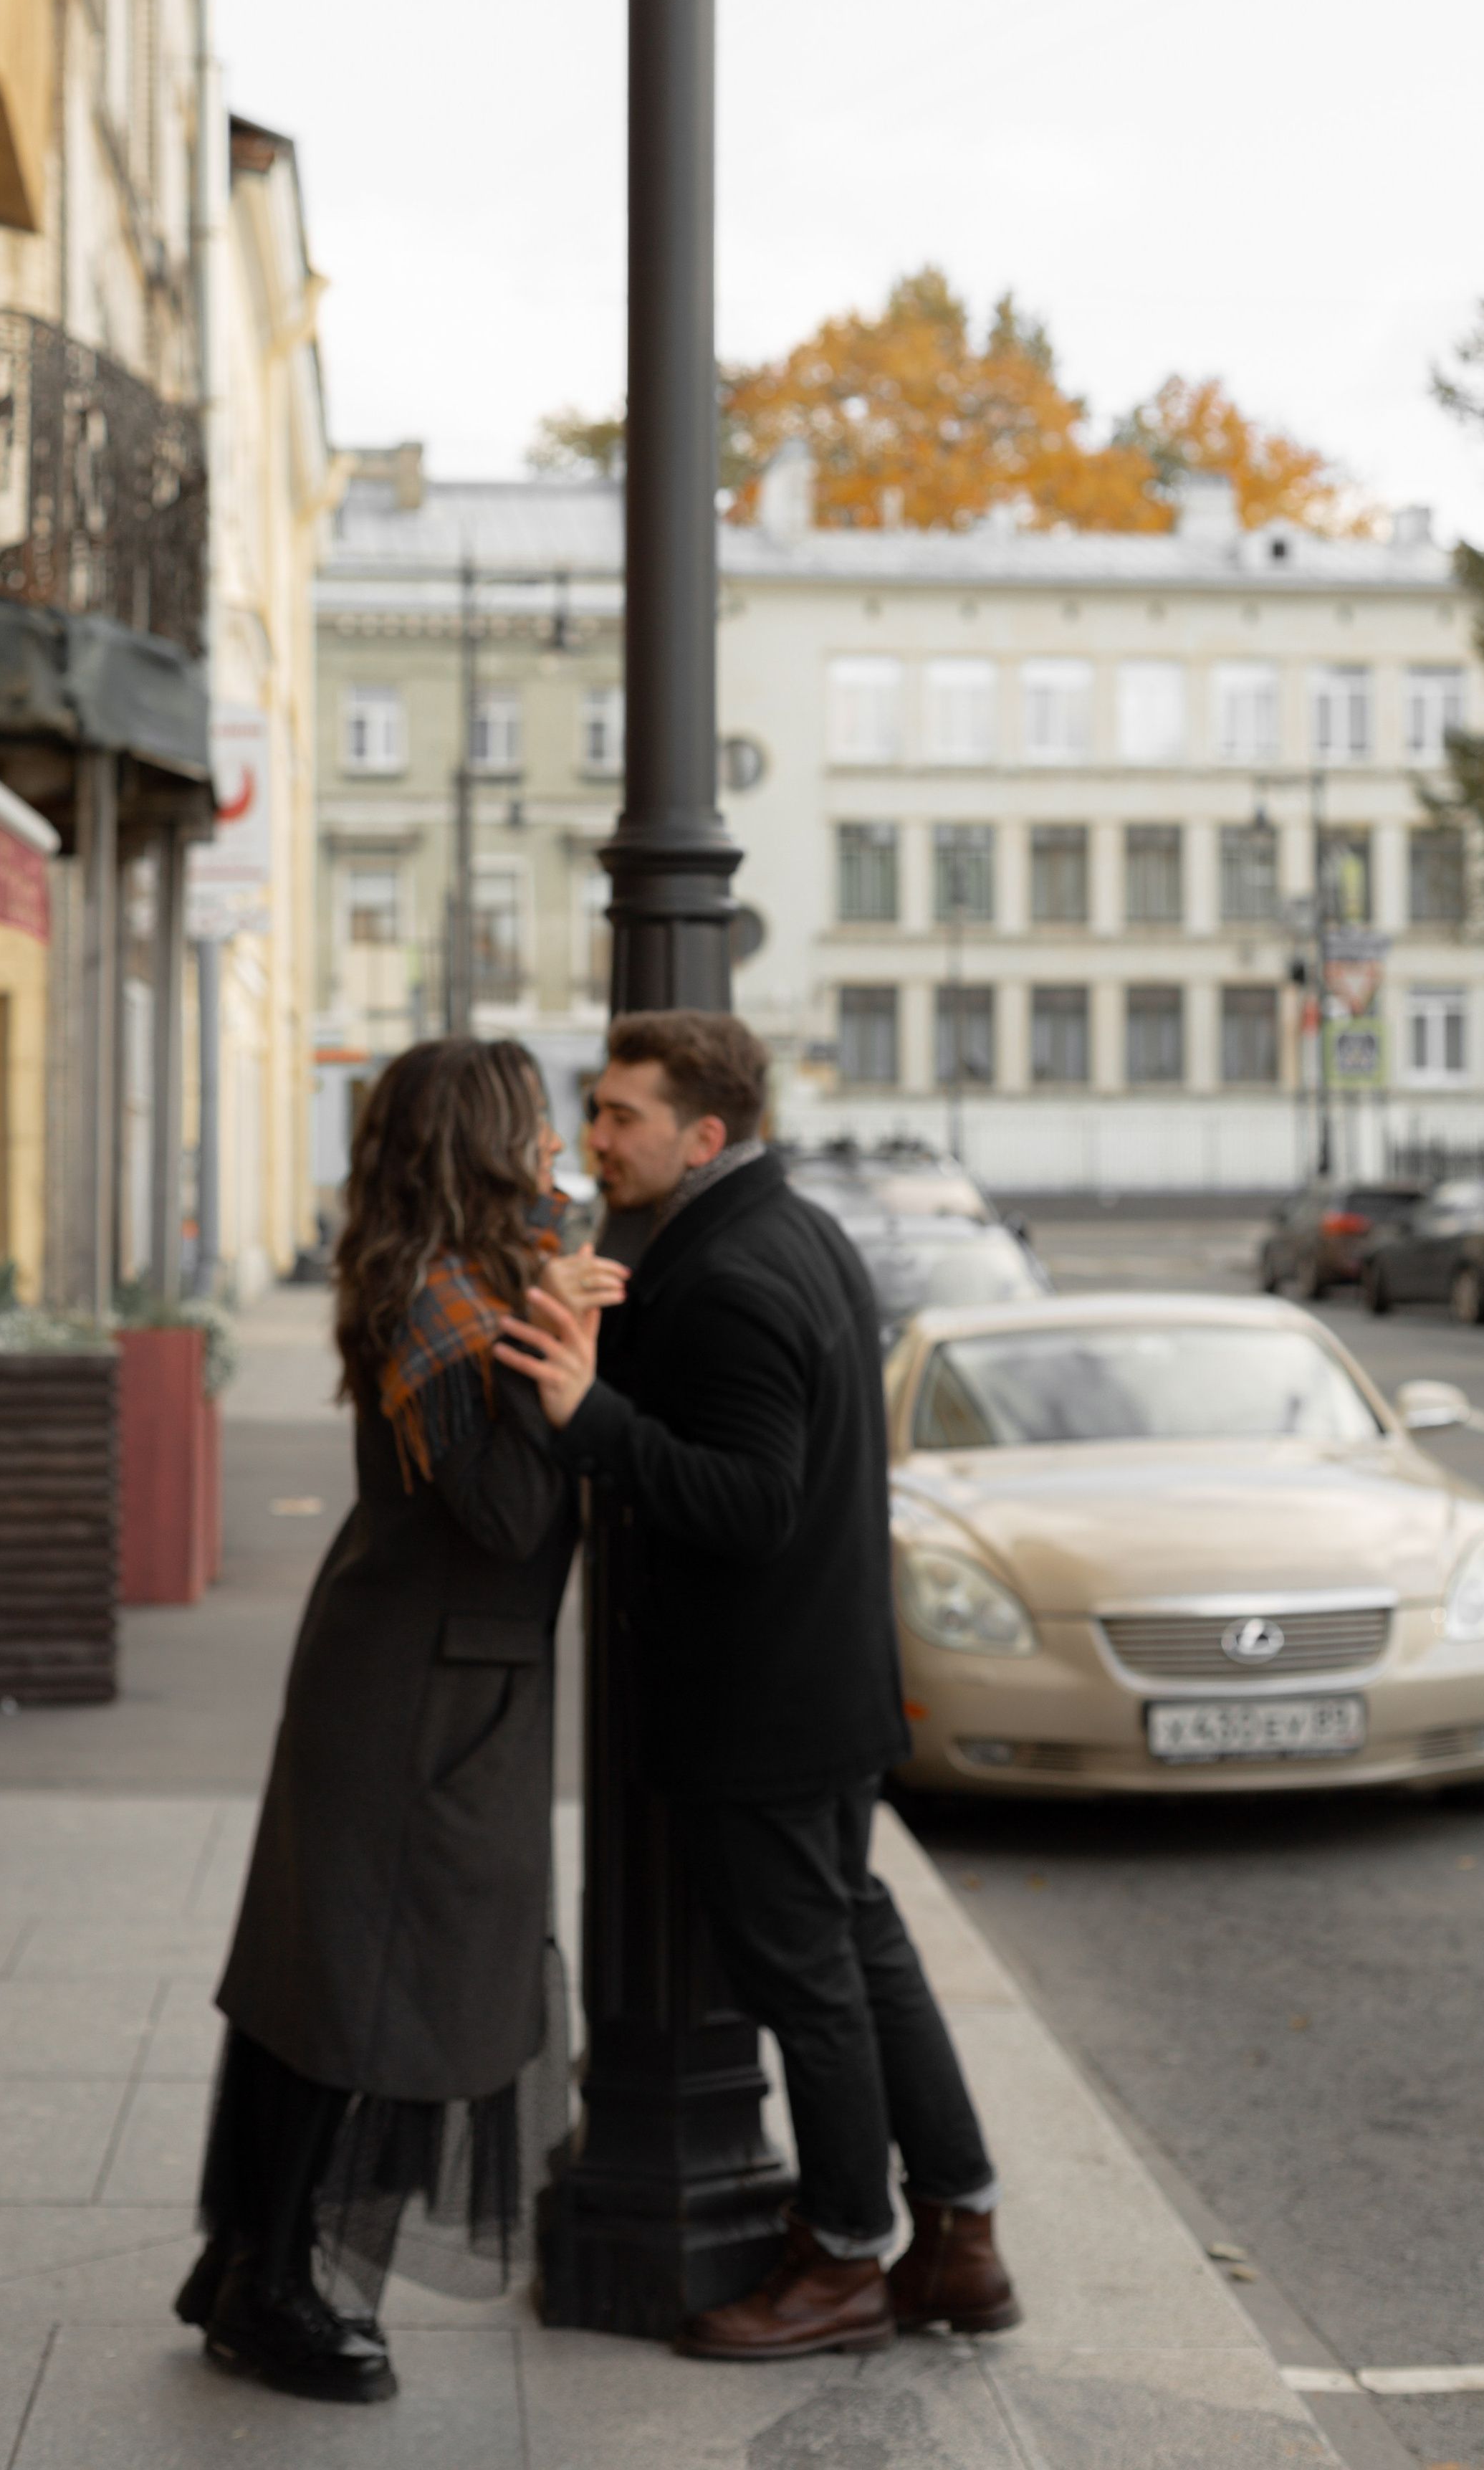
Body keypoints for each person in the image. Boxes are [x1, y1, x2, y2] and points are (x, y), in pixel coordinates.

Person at [498, 1008, 1020, 2360]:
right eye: (598, 1111)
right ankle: (960, 2236)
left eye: (621, 1118)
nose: (595, 1140)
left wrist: (590, 1420)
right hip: (823, 1678)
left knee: (812, 1980)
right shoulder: (784, 1230)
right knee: (859, 1947)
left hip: (762, 1698)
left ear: (704, 1134)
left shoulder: (732, 1274)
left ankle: (847, 2259)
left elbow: (753, 1503)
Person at [177, 1037, 623, 2403]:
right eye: (535, 1124)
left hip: (418, 1670)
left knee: (328, 1982)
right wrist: (570, 1353)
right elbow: (506, 1516)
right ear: (482, 1140)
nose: (556, 1145)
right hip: (417, 1689)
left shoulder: (463, 1277)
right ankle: (276, 2292)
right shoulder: (444, 1297)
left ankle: (244, 2265)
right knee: (357, 1998)